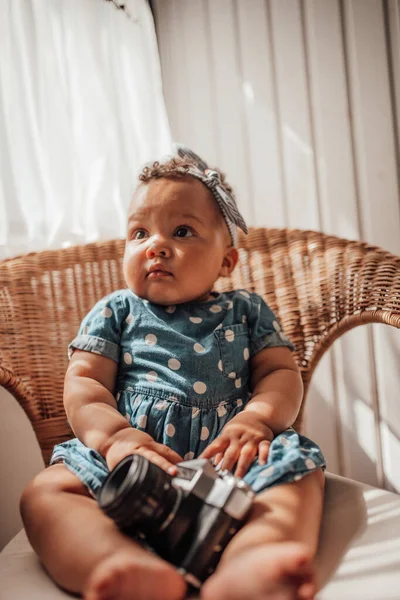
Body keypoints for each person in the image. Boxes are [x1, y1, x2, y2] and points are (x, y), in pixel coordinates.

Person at [20, 146, 326, 600]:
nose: (155, 245)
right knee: (46, 493)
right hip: (131, 464)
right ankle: (116, 562)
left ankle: (251, 561)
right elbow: (84, 383)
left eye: (182, 231)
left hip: (230, 461)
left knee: (297, 472)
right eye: (139, 232)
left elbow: (280, 371)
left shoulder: (245, 311)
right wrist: (114, 438)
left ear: (226, 261)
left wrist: (258, 420)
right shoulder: (117, 311)